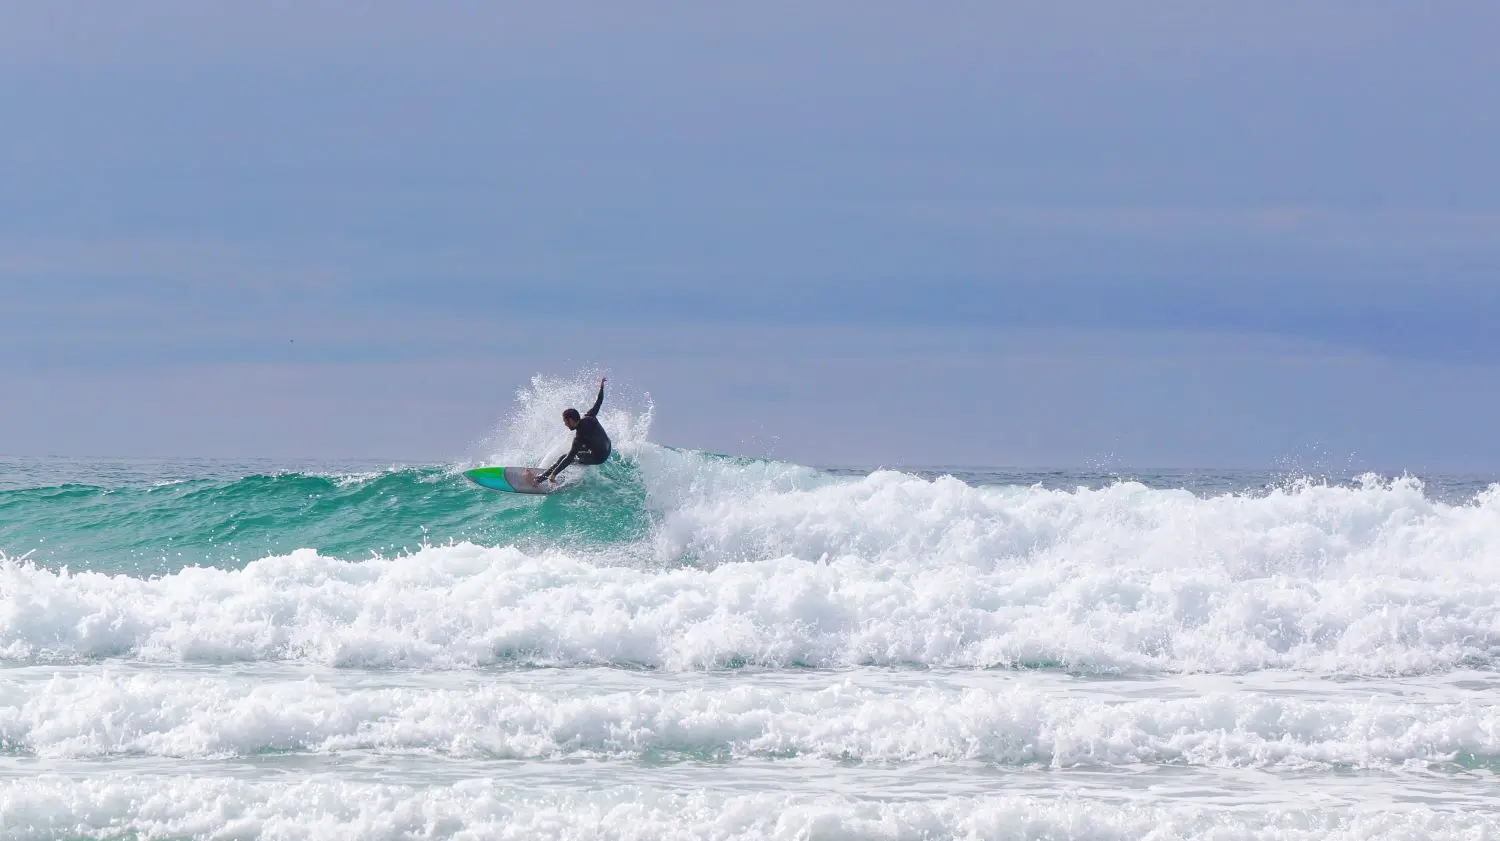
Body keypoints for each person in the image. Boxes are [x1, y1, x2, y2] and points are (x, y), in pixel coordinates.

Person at [537, 377, 611, 485]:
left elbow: (570, 457)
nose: (565, 424)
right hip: (607, 448)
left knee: (566, 457)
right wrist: (601, 388)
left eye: (565, 422)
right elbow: (599, 402)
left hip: (599, 457)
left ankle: (540, 479)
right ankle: (554, 473)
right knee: (574, 453)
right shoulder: (589, 416)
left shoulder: (579, 436)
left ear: (571, 420)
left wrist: (554, 474)